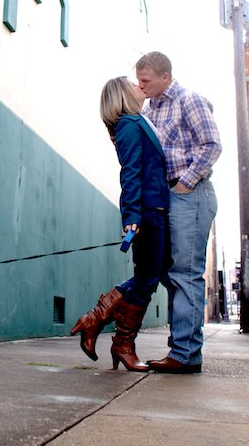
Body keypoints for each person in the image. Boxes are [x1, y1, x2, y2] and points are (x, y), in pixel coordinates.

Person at [70, 77, 170, 372]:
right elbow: (130, 173)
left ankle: (97, 322)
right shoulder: (128, 125)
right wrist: (132, 218)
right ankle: (121, 342)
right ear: (123, 95)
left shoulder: (138, 121)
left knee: (149, 277)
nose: (139, 85)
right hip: (147, 211)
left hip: (156, 209)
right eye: (133, 83)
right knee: (147, 279)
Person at [135, 51, 221, 374]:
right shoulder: (150, 108)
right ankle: (183, 349)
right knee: (172, 276)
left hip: (191, 195)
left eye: (145, 80)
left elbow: (212, 144)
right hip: (169, 198)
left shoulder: (189, 100)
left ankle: (185, 355)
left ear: (164, 78)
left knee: (185, 274)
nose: (140, 85)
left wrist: (184, 184)